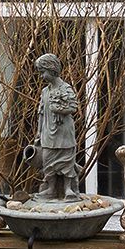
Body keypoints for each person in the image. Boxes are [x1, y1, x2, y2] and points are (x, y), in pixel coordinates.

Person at [31, 52, 82, 200]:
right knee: (48, 160)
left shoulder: (66, 88)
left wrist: (59, 109)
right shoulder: (45, 92)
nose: (41, 76)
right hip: (48, 131)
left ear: (52, 69)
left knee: (67, 160)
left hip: (64, 131)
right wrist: (39, 132)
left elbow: (73, 107)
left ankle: (68, 189)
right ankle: (50, 189)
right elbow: (41, 113)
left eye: (43, 72)